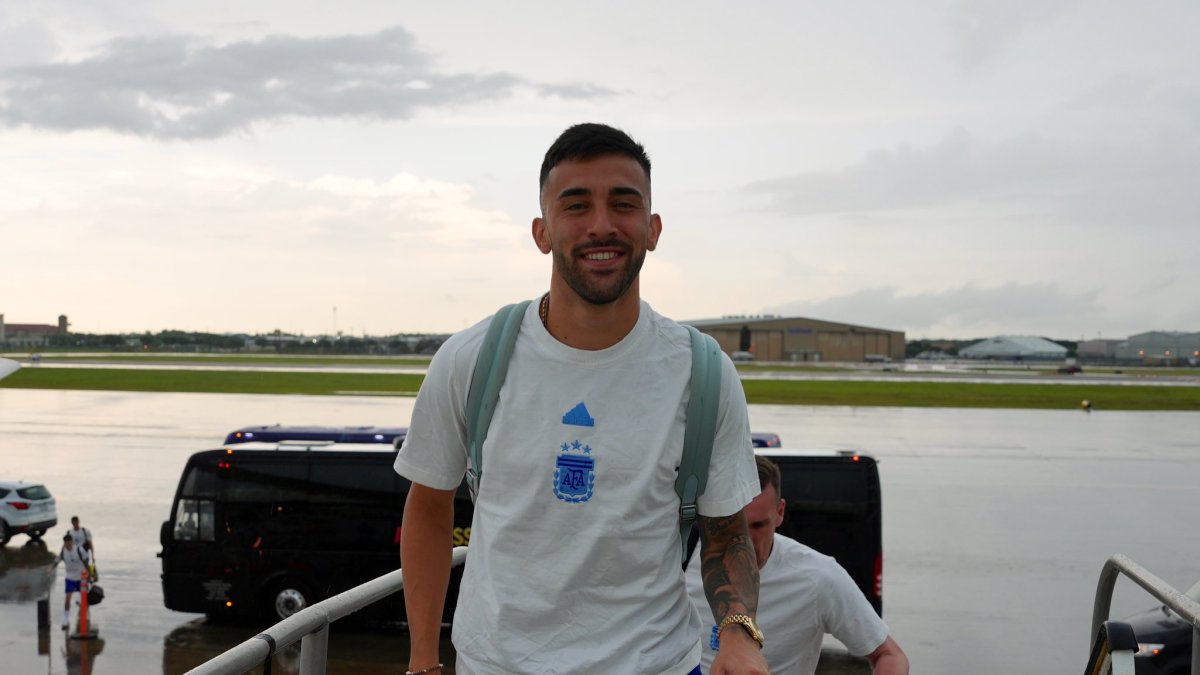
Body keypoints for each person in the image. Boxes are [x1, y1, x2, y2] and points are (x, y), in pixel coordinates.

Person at [395, 123, 768, 675]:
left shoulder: (704, 371)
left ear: (653, 228)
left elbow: (726, 530)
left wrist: (738, 633)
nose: (601, 226)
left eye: (623, 204)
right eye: (576, 206)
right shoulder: (470, 359)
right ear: (542, 231)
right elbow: (428, 508)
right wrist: (422, 660)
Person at [687, 456, 909, 675]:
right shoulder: (684, 564)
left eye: (758, 525)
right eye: (738, 526)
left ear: (780, 513)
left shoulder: (818, 577)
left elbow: (890, 655)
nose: (746, 540)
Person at [54, 531, 91, 629]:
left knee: (84, 598)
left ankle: (85, 615)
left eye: (69, 543)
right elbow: (57, 561)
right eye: (66, 543)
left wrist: (90, 574)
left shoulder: (79, 550)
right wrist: (50, 569)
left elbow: (87, 561)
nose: (68, 545)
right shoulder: (63, 552)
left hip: (81, 578)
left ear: (72, 542)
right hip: (70, 578)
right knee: (67, 598)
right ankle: (66, 619)